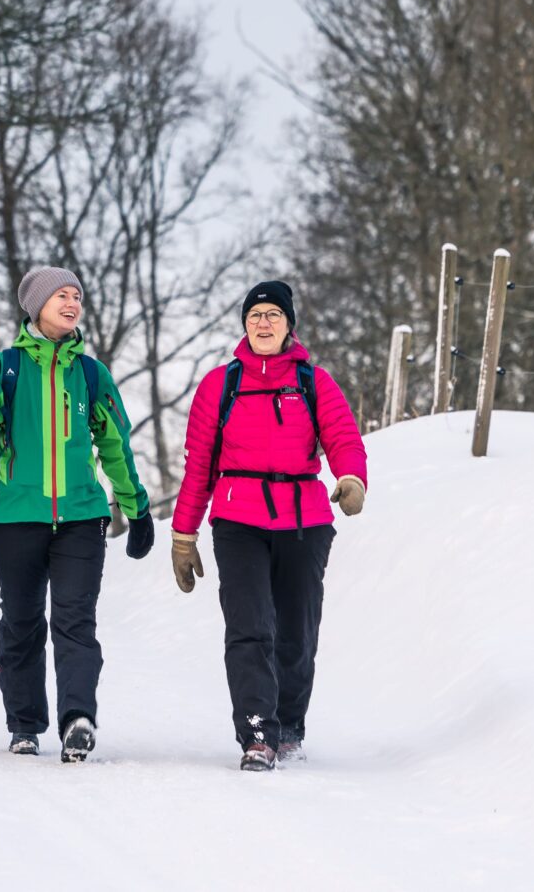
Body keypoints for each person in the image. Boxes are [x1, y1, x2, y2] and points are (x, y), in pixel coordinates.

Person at [167, 278, 367, 771]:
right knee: (250, 628)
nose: (263, 322)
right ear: (244, 325)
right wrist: (183, 533)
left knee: (297, 630)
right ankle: (257, 733)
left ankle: (289, 728)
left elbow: (343, 436)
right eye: (255, 315)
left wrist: (351, 477)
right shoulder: (221, 384)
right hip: (238, 520)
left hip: (304, 518)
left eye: (273, 315)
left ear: (288, 326)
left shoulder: (313, 381)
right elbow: (199, 466)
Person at [0, 266, 151, 762]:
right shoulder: (6, 368)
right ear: (36, 304)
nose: (72, 302)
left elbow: (115, 445)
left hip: (82, 517)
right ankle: (24, 724)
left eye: (77, 295)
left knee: (75, 621)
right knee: (21, 622)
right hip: (17, 516)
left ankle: (77, 720)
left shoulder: (90, 373)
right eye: (61, 294)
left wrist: (136, 507)